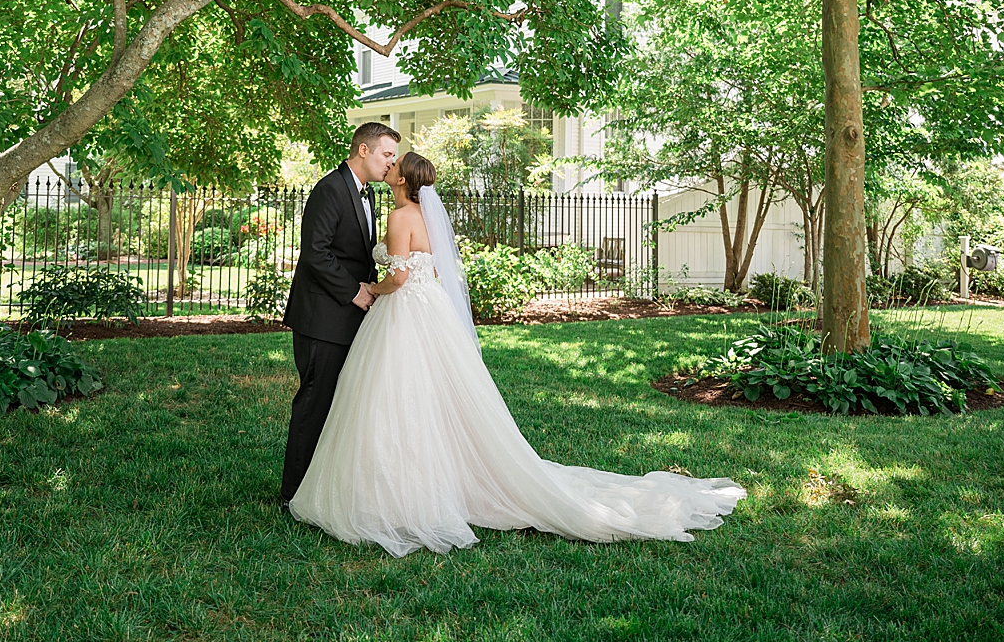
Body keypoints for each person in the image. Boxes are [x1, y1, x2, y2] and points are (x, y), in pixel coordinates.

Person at [289, 151, 746, 556]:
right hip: (432, 313)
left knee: (392, 396)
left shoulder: (399, 217)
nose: (390, 166)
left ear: (405, 180)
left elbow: (400, 278)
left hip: (404, 310)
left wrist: (372, 287)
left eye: (396, 162)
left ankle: (396, 491)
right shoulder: (428, 217)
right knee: (432, 396)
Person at [279, 121, 400, 504]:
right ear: (363, 151)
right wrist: (355, 293)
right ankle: (293, 493)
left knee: (339, 404)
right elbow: (316, 252)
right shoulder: (329, 189)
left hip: (347, 318)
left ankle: (323, 487)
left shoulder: (368, 194)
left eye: (394, 157)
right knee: (315, 402)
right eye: (386, 155)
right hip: (322, 318)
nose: (390, 163)